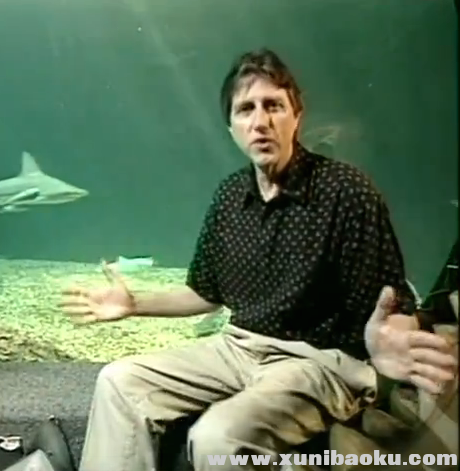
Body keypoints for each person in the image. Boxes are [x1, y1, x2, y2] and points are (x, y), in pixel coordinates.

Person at [60, 49, 457, 471]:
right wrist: (134, 304)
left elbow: (391, 301)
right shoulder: (230, 196)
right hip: (238, 347)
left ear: (296, 117)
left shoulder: (347, 191)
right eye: (245, 109)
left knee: (217, 437)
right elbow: (205, 292)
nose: (260, 121)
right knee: (119, 382)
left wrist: (391, 343)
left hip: (317, 360)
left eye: (274, 106)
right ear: (231, 127)